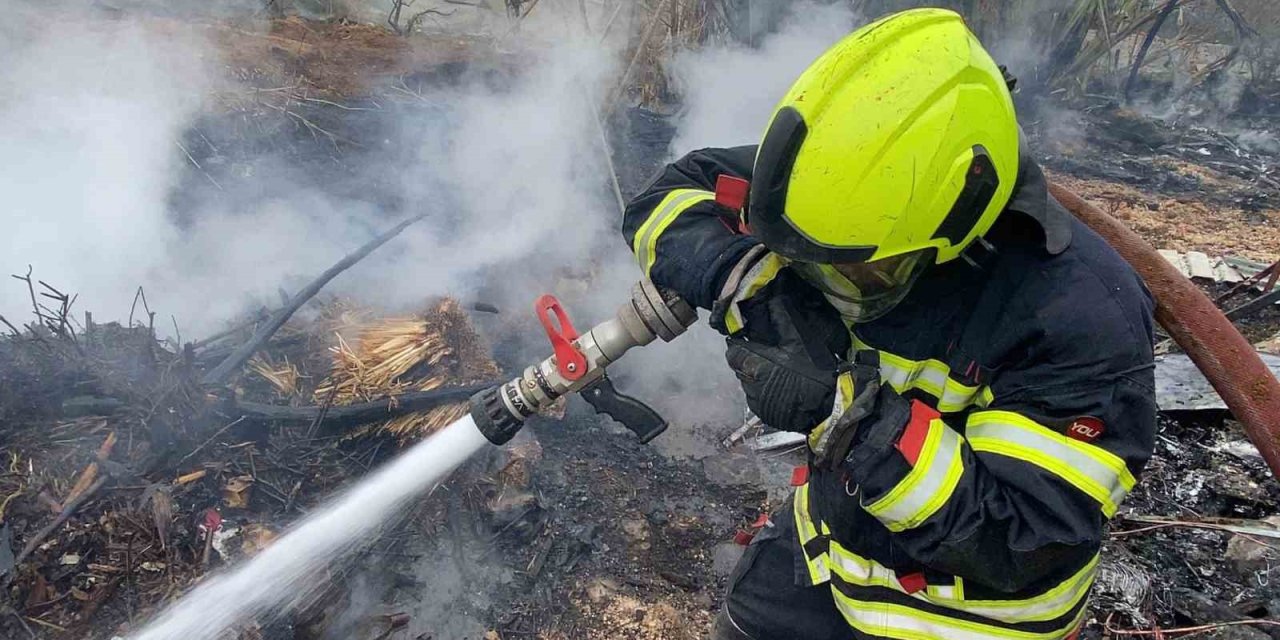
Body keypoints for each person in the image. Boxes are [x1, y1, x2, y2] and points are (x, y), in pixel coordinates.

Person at [621, 8, 1157, 640]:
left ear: (958, 221)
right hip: (831, 552)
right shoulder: (844, 184)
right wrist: (751, 288)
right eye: (808, 266)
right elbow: (668, 199)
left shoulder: (1082, 318)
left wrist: (845, 417)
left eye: (854, 273)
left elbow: (1021, 538)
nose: (828, 291)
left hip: (964, 615)